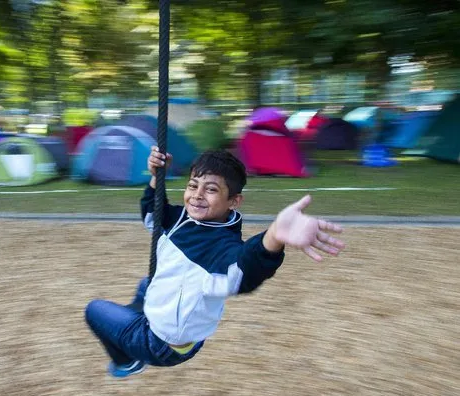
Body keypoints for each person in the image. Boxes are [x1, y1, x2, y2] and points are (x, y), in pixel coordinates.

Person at [85, 148, 346, 378]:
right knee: (147, 283)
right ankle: (140, 316)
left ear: (233, 201)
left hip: (162, 345)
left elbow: (243, 270)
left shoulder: (220, 247)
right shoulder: (184, 218)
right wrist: (156, 177)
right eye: (192, 185)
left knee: (95, 310)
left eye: (211, 189)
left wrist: (273, 237)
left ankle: (128, 361)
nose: (197, 195)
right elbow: (153, 218)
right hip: (181, 325)